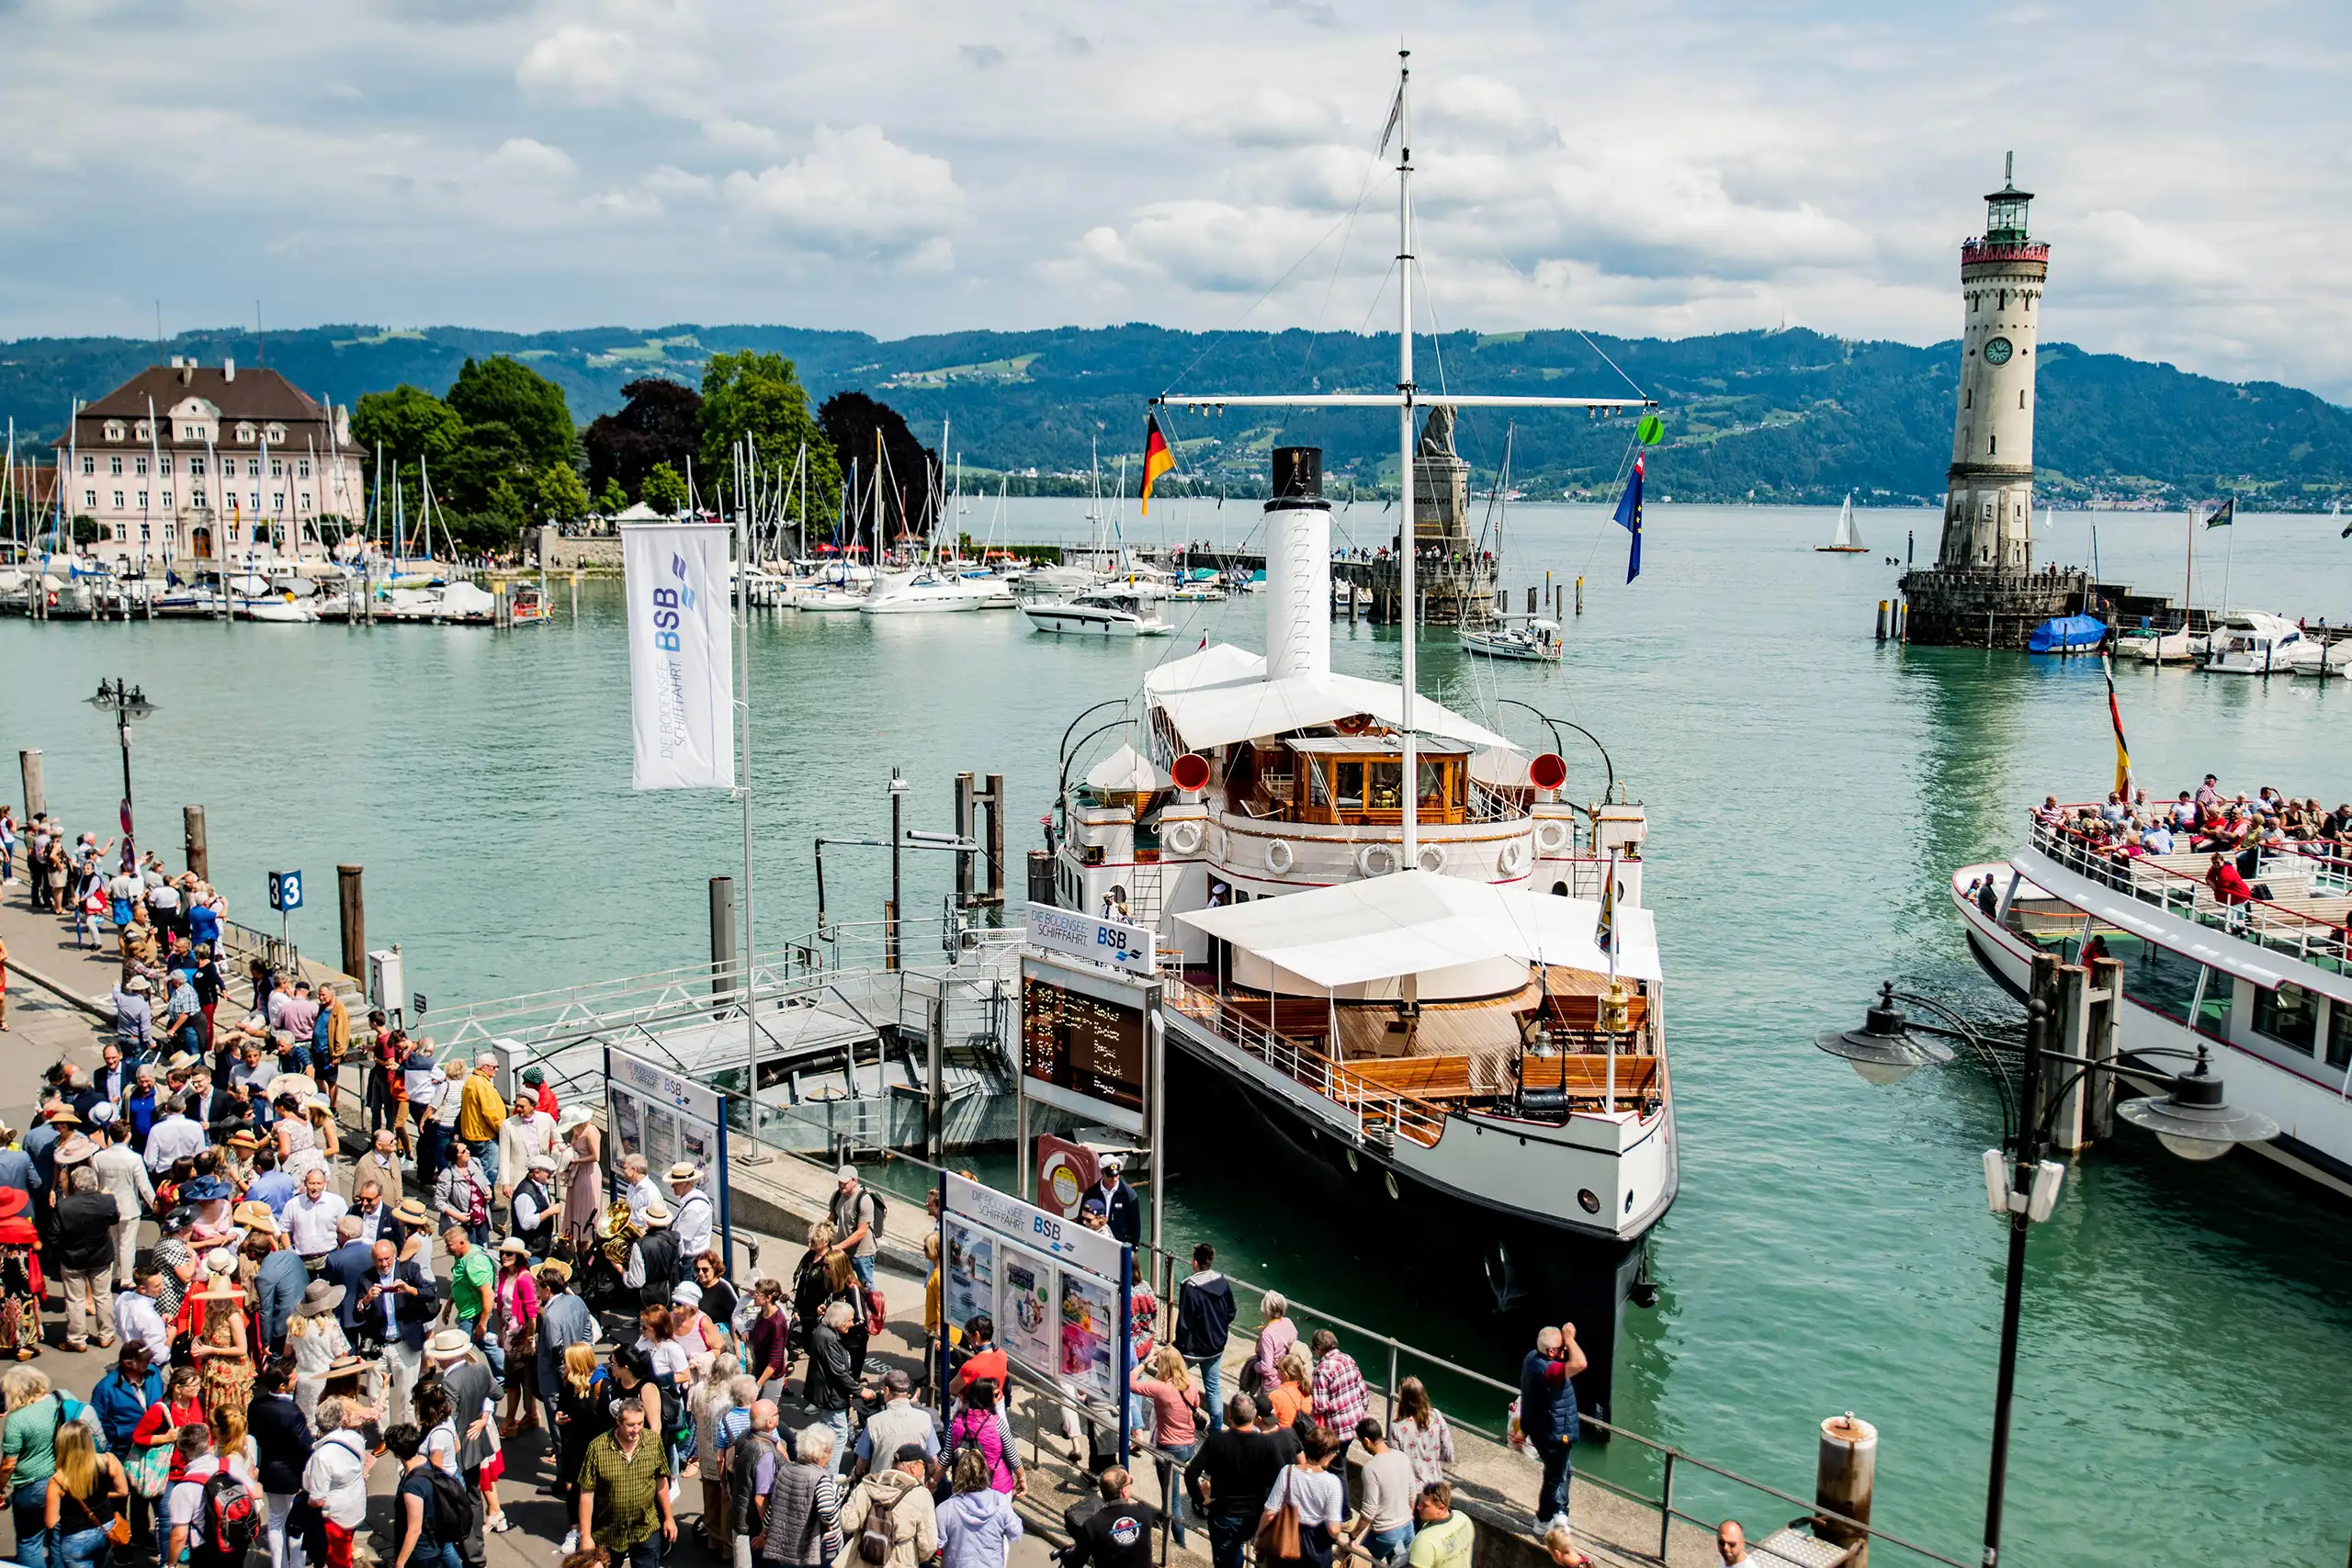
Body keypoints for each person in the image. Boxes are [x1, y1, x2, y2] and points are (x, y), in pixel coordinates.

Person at [1186, 1394, 1295, 1568]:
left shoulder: (1216, 1440)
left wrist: (1200, 1499)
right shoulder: (1267, 1444)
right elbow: (1284, 1477)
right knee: (1237, 1551)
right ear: (1254, 1416)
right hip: (1254, 1516)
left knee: (1225, 1559)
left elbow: (1191, 1473)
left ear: (1229, 1416)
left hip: (1223, 1514)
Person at [576, 1398, 677, 1568]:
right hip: (609, 1533)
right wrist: (585, 1536)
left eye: (640, 1423)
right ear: (618, 1421)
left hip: (645, 1528)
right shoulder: (597, 1448)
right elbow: (587, 1493)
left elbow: (661, 1481)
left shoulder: (653, 1442)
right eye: (630, 1425)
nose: (636, 1430)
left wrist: (669, 1518)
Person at [356, 1238, 438, 1429]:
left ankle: (407, 1432)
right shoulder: (365, 1278)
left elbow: (430, 1292)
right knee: (376, 1394)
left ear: (395, 1256)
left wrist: (409, 1290)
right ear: (373, 1259)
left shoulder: (409, 1270)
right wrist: (367, 1299)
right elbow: (357, 1310)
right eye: (379, 1260)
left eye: (387, 1259)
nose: (384, 1264)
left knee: (407, 1393)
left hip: (405, 1342)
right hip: (378, 1344)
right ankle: (385, 1435)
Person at [166, 1405, 259, 1568]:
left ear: (181, 1453)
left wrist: (171, 1564)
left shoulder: (183, 1488)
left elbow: (179, 1535)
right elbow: (256, 1492)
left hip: (206, 1551)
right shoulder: (227, 1465)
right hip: (234, 1542)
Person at [1518, 1325, 1585, 1539]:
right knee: (1554, 1478)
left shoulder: (1531, 1358)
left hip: (1540, 1429)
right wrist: (1571, 1339)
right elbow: (1580, 1363)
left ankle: (1560, 1512)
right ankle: (1544, 1519)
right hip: (1555, 1433)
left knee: (1563, 1470)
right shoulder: (1550, 1371)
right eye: (1562, 1347)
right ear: (1551, 1352)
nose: (1566, 1350)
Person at [1129, 1347, 1200, 1545]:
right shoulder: (1191, 1382)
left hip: (1169, 1448)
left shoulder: (1161, 1388)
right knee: (1171, 1495)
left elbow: (1129, 1382)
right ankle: (1164, 1517)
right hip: (1189, 1445)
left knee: (1173, 1501)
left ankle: (1180, 1544)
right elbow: (1196, 1402)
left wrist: (1144, 1363)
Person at [832, 1441, 937, 1568]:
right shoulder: (921, 1495)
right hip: (900, 1561)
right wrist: (912, 1554)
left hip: (863, 1558)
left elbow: (847, 1523)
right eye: (923, 1464)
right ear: (913, 1466)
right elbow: (928, 1546)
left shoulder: (866, 1485)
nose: (925, 1469)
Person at [552, 1346, 615, 1555]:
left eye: (568, 1361)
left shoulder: (601, 1385)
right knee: (573, 1489)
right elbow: (561, 1406)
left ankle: (597, 1533)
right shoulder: (569, 1382)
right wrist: (558, 1417)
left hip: (595, 1447)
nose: (564, 1365)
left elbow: (608, 1422)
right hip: (573, 1445)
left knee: (597, 1493)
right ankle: (574, 1531)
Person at [249, 1361, 313, 1568]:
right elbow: (304, 1446)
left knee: (276, 1519)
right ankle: (296, 1565)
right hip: (292, 1473)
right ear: (282, 1386)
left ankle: (278, 1565)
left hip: (269, 1470)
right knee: (295, 1522)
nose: (297, 1380)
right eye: (293, 1377)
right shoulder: (292, 1412)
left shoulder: (256, 1405)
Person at [1257, 1426, 1346, 1568]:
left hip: (1285, 1538)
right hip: (1316, 1547)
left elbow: (1270, 1511)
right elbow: (1333, 1529)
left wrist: (1259, 1535)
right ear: (1325, 1455)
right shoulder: (1332, 1482)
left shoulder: (1288, 1471)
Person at [756, 1426, 842, 1568]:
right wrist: (832, 1525)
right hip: (811, 1548)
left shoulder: (785, 1470)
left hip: (785, 1544)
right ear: (820, 1453)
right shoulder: (821, 1478)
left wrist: (764, 1533)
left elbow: (774, 1506)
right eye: (829, 1450)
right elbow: (827, 1510)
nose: (831, 1454)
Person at [301, 1400, 374, 1568]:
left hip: (336, 1519)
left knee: (339, 1563)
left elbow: (318, 1500)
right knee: (346, 1547)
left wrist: (305, 1502)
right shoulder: (355, 1438)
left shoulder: (322, 1456)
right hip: (356, 1506)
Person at [44, 1419, 127, 1568]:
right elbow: (123, 1491)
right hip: (107, 1527)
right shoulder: (109, 1460)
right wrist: (101, 1496)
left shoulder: (57, 1481)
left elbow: (51, 1523)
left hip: (76, 1537)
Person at [54, 1165, 119, 1352]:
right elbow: (114, 1219)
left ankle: (76, 1340)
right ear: (94, 1182)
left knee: (75, 1299)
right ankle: (106, 1335)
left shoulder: (64, 1205)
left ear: (75, 1184)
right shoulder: (107, 1201)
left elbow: (54, 1234)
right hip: (101, 1255)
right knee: (103, 1296)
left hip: (73, 1258)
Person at [1173, 1245, 1235, 1433]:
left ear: (1195, 1262)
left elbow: (1183, 1322)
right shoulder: (1222, 1282)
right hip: (1216, 1346)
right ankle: (1215, 1429)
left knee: (1174, 1382)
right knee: (1214, 1387)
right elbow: (1231, 1312)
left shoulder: (1189, 1287)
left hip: (1193, 1349)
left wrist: (1180, 1346)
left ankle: (1186, 1416)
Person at [537, 1265, 599, 1438]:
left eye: (538, 1287)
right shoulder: (577, 1301)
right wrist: (584, 1357)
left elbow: (556, 1350)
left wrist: (566, 1376)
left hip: (556, 1378)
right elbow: (588, 1330)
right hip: (580, 1369)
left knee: (558, 1421)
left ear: (547, 1289)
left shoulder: (551, 1316)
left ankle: (561, 1455)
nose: (537, 1291)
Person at [935, 1448, 1023, 1568]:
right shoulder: (1000, 1501)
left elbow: (936, 1544)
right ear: (985, 1473)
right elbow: (1016, 1533)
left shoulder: (945, 1509)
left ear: (957, 1476)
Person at [1347, 1419, 1418, 1567]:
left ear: (1366, 1441)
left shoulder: (1370, 1468)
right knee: (1400, 1565)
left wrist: (1353, 1535)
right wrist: (1405, 1518)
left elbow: (1369, 1511)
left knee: (1361, 1563)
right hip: (1407, 1529)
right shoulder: (1402, 1457)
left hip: (1384, 1535)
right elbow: (1412, 1493)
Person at [801, 1302, 858, 1473]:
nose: (852, 1323)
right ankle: (830, 1475)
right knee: (840, 1434)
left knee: (826, 1429)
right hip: (831, 1395)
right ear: (838, 1322)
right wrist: (860, 1390)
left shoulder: (825, 1331)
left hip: (826, 1393)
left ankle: (816, 1462)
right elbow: (838, 1372)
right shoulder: (828, 1338)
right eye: (849, 1320)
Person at [1064, 1467, 1159, 1568]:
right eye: (1130, 1482)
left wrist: (1065, 1554)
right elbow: (1162, 1520)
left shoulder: (1093, 1525)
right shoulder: (1144, 1511)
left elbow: (1074, 1562)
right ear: (1124, 1491)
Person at [726, 1399, 782, 1568]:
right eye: (777, 1412)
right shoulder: (765, 1453)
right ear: (770, 1422)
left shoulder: (745, 1434)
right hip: (754, 1524)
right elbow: (760, 1498)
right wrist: (766, 1533)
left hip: (740, 1512)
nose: (779, 1413)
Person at [386, 1424, 449, 1568]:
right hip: (434, 1543)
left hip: (420, 1554)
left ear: (396, 1454)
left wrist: (400, 1563)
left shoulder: (412, 1487)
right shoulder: (425, 1461)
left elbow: (414, 1530)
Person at [287, 1281, 352, 1422]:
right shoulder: (330, 1324)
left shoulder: (295, 1325)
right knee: (326, 1421)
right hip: (326, 1380)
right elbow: (342, 1355)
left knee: (305, 1421)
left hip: (303, 1380)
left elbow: (287, 1353)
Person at [944, 1379, 1022, 1496]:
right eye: (995, 1394)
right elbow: (1012, 1455)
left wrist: (933, 1481)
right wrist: (1021, 1478)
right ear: (986, 1398)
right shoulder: (998, 1424)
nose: (999, 1396)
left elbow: (947, 1455)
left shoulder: (955, 1422)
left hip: (964, 1488)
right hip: (998, 1488)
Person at [492, 1240, 539, 1425]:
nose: (505, 1256)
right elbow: (500, 1307)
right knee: (516, 1378)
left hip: (521, 1336)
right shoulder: (503, 1274)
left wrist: (528, 1341)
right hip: (508, 1335)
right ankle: (529, 1416)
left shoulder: (524, 1277)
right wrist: (499, 1333)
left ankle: (515, 1418)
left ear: (519, 1256)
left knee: (519, 1380)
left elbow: (532, 1314)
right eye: (503, 1252)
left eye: (510, 1253)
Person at [1388, 1379, 1453, 1491]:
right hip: (1436, 1485)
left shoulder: (1396, 1428)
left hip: (1411, 1490)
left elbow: (1395, 1464)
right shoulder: (1436, 1416)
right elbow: (1448, 1452)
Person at [826, 1168, 879, 1291]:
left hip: (862, 1254)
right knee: (841, 1285)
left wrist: (838, 1247)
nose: (841, 1186)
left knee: (867, 1289)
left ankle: (874, 1309)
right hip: (844, 1251)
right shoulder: (837, 1196)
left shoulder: (864, 1200)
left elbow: (861, 1232)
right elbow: (831, 1219)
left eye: (844, 1183)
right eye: (839, 1182)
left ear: (854, 1180)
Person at [434, 1142, 492, 1249]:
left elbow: (483, 1179)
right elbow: (439, 1202)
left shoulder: (475, 1163)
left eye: (467, 1149)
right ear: (456, 1156)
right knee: (470, 1252)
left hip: (481, 1218)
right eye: (463, 1151)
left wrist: (488, 1191)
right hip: (465, 1223)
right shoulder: (448, 1174)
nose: (468, 1152)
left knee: (486, 1250)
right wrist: (458, 1216)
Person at [746, 1279, 793, 1404]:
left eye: (757, 1294)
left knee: (766, 1413)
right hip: (760, 1368)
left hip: (771, 1377)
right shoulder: (764, 1312)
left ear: (768, 1298)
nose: (753, 1296)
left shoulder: (777, 1323)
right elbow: (759, 1334)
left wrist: (758, 1385)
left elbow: (775, 1361)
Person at [1404, 1483, 1473, 1568]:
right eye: (1419, 1502)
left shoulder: (1425, 1541)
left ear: (1441, 1508)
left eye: (1425, 1505)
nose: (1418, 1507)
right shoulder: (1464, 1519)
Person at [1251, 1292, 1297, 1395]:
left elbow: (1266, 1366)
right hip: (1288, 1377)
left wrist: (1254, 1366)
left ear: (1265, 1310)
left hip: (1272, 1382)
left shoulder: (1267, 1333)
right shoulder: (1288, 1322)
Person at [1090, 1157, 1141, 1247]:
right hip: (1096, 1243)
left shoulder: (1129, 1195)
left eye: (1116, 1175)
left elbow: (1135, 1224)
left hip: (1120, 1244)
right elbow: (1082, 1219)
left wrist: (1134, 1246)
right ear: (1102, 1173)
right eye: (1110, 1176)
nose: (1114, 1179)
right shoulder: (1091, 1194)